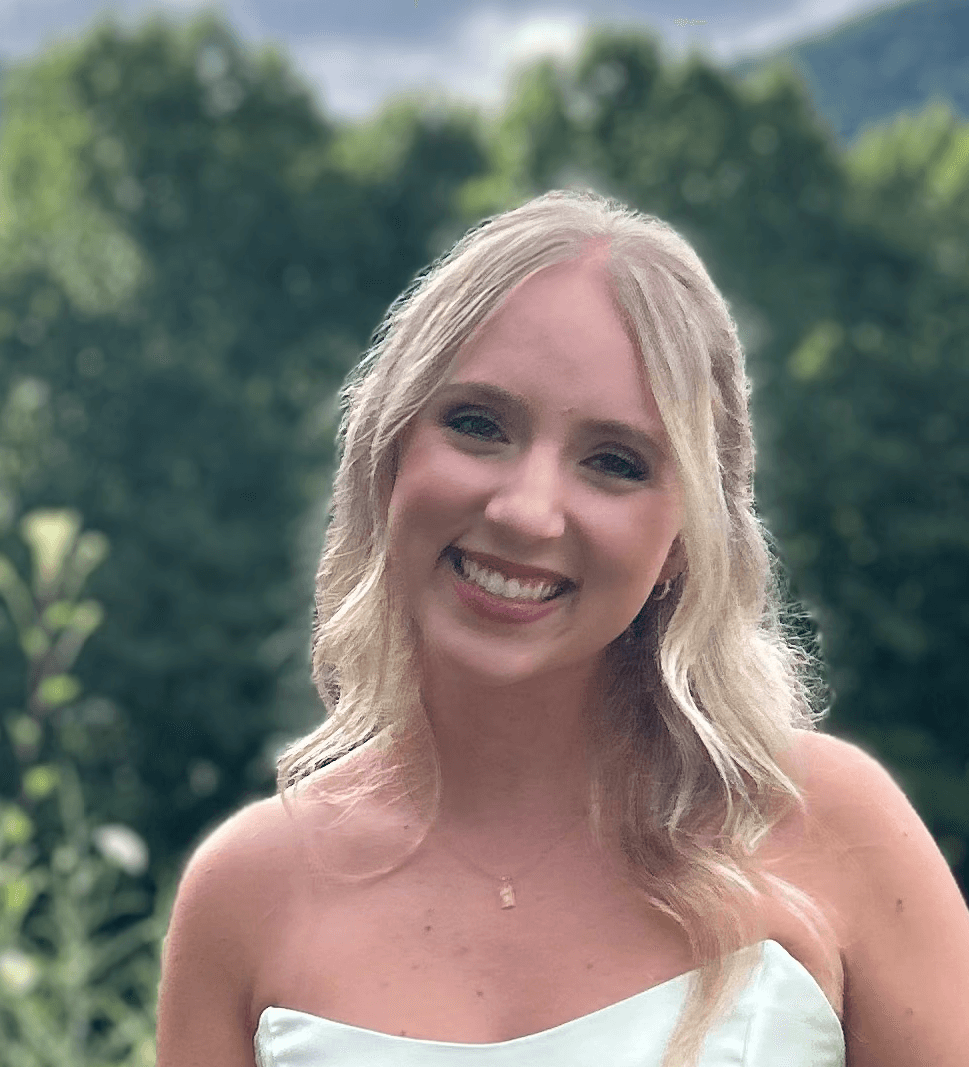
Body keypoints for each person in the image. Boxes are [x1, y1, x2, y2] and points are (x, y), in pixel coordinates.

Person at [156, 188, 969, 1067]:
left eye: (614, 463)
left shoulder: (830, 826)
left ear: (683, 542)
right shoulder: (244, 895)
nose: (527, 511)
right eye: (478, 424)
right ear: (388, 455)